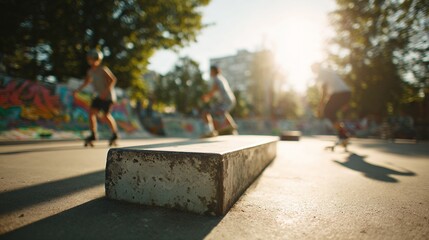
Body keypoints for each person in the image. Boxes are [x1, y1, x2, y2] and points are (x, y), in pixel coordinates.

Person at [73, 49, 119, 146]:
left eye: (94, 59)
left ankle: (115, 134)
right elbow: (86, 82)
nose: (92, 61)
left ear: (98, 60)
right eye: (90, 59)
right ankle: (93, 134)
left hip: (108, 96)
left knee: (106, 115)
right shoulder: (90, 71)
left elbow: (113, 80)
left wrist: (105, 92)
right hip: (99, 96)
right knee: (91, 113)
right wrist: (77, 90)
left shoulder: (103, 69)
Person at [311, 63, 351, 140]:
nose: (313, 72)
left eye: (313, 69)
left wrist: (320, 106)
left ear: (316, 68)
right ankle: (342, 132)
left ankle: (342, 133)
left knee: (327, 111)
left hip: (339, 94)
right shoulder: (328, 71)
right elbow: (330, 93)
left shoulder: (321, 73)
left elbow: (324, 90)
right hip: (345, 93)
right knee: (332, 113)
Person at [200, 65, 237, 137]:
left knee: (205, 112)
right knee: (222, 111)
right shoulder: (222, 78)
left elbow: (214, 89)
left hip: (225, 101)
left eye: (210, 71)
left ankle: (209, 131)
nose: (209, 73)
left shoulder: (216, 78)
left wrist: (207, 97)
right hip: (231, 100)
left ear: (213, 71)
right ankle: (231, 125)